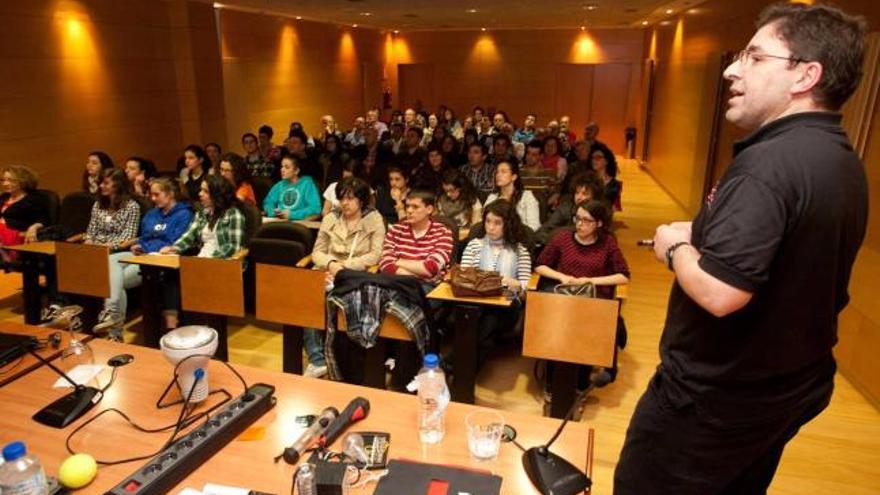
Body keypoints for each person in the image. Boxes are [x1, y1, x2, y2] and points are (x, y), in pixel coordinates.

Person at [614, 4, 868, 494]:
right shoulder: (837, 157)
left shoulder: (768, 166)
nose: (732, 69)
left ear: (805, 75)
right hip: (781, 391)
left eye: (754, 56)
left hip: (711, 408)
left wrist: (674, 248)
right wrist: (711, 230)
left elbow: (721, 293)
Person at [304, 177, 387, 378]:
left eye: (350, 198)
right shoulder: (331, 218)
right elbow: (317, 252)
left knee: (332, 297)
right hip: (327, 268)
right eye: (342, 198)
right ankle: (317, 359)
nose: (345, 203)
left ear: (361, 200)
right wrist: (331, 264)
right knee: (306, 296)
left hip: (356, 273)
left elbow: (376, 255)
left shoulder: (374, 219)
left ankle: (340, 358)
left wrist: (344, 268)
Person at [93, 178, 192, 340]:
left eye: (156, 194)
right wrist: (137, 244)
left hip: (159, 261)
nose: (152, 199)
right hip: (141, 255)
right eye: (150, 194)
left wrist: (147, 247)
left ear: (170, 194)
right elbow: (145, 237)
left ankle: (114, 331)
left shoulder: (184, 214)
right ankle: (111, 314)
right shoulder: (152, 213)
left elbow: (173, 243)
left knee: (116, 283)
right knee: (111, 260)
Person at [160, 175, 246, 329]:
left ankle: (193, 326)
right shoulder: (202, 213)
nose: (200, 194)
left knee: (188, 277)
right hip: (201, 260)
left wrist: (208, 259)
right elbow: (189, 236)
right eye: (201, 190)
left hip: (224, 263)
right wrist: (174, 248)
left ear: (216, 194)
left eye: (205, 191)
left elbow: (233, 247)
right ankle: (173, 325)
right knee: (170, 275)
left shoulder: (233, 214)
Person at [459, 199, 532, 366]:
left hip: (506, 307)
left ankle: (452, 366)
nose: (490, 227)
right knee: (484, 322)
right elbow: (464, 278)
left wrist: (517, 285)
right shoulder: (474, 246)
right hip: (476, 302)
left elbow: (527, 291)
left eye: (497, 223)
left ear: (508, 224)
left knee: (490, 317)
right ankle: (461, 371)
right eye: (488, 221)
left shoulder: (520, 251)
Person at [84, 169, 142, 340]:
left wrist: (102, 246)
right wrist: (90, 243)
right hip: (97, 255)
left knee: (112, 274)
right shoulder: (98, 205)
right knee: (117, 282)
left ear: (119, 185)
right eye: (101, 182)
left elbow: (127, 238)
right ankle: (114, 330)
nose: (101, 185)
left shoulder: (131, 206)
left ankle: (112, 320)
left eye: (106, 183)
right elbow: (90, 233)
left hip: (124, 255)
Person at [379, 190, 454, 289]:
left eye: (415, 207)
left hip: (428, 289)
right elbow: (386, 265)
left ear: (429, 209)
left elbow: (430, 268)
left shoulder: (443, 232)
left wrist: (398, 261)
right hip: (396, 283)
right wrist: (416, 277)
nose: (409, 211)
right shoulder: (396, 230)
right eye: (407, 206)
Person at [535, 172, 603, 245]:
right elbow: (541, 232)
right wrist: (559, 244)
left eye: (584, 194)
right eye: (577, 193)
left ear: (594, 197)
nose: (579, 197)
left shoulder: (600, 212)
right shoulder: (565, 209)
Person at [0, 165, 49, 264]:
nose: (5, 183)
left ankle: (7, 257)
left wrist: (34, 227)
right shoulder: (3, 197)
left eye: (10, 180)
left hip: (18, 234)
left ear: (23, 181)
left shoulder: (34, 198)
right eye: (3, 180)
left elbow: (44, 219)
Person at [484, 161, 540, 231]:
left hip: (520, 238)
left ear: (514, 177)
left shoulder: (527, 197)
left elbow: (534, 226)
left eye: (503, 172)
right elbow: (483, 222)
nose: (498, 175)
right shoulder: (492, 197)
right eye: (497, 172)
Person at [262, 156, 322, 221]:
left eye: (287, 167)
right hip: (279, 222)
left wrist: (291, 214)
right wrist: (273, 212)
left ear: (296, 171)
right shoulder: (279, 185)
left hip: (299, 224)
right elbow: (268, 202)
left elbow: (315, 209)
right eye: (282, 166)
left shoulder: (307, 184)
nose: (282, 170)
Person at [590, 142, 622, 210]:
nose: (594, 160)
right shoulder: (587, 179)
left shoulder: (615, 185)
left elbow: (615, 208)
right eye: (592, 158)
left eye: (598, 157)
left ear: (607, 161)